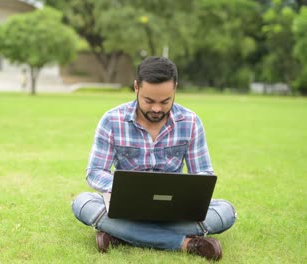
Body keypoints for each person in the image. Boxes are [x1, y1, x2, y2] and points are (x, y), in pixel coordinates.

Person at [71, 56, 237, 261]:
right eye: (149, 101)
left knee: (226, 211)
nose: (157, 108)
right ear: (136, 88)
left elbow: (203, 173)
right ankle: (185, 243)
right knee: (82, 203)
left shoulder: (191, 122)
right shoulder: (112, 120)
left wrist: (189, 191)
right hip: (126, 209)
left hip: (174, 211)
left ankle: (122, 235)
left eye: (165, 101)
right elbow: (95, 171)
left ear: (175, 88)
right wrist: (125, 188)